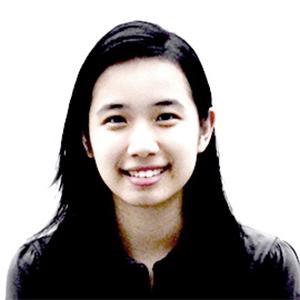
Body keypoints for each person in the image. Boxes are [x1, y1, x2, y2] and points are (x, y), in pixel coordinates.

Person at [6, 20, 300, 299]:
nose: (142, 146)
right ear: (86, 138)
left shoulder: (266, 267)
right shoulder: (39, 272)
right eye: (116, 119)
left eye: (166, 117)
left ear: (204, 128)